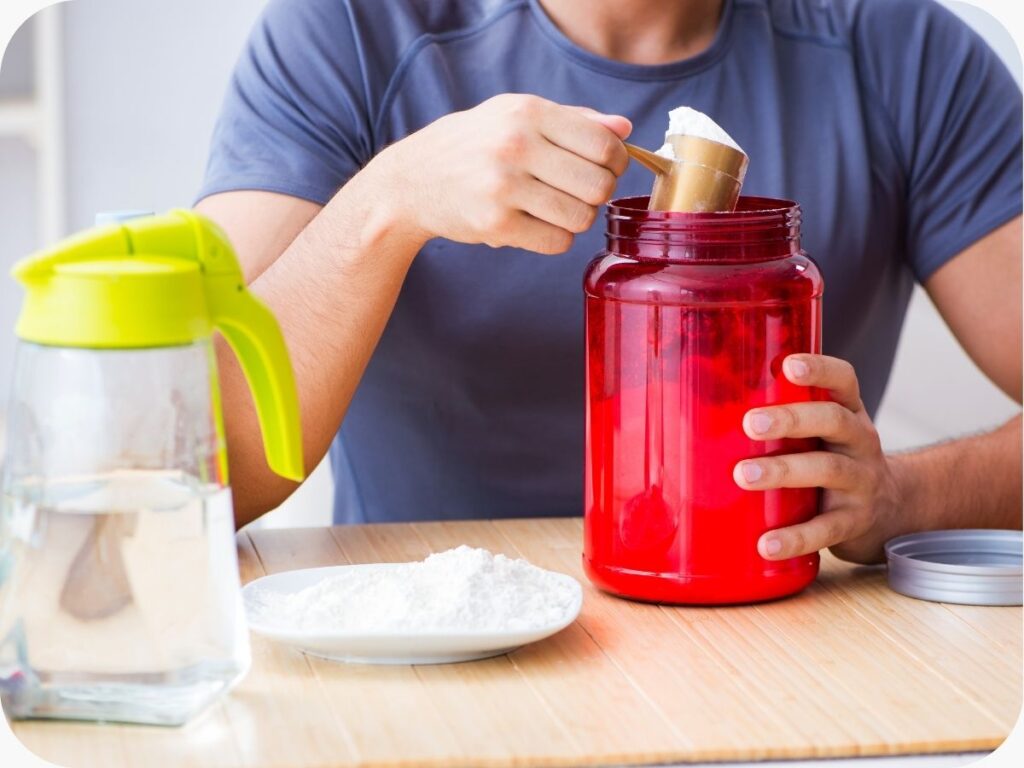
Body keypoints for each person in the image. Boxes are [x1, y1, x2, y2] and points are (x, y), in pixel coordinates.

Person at [196, 0, 1022, 564]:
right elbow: (193, 470)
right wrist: (387, 202)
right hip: (426, 648)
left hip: (774, 641)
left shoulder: (902, 52)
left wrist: (901, 498)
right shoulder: (347, 33)